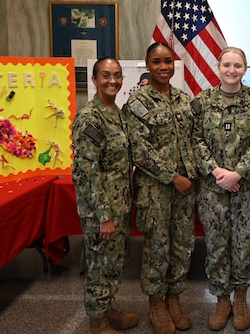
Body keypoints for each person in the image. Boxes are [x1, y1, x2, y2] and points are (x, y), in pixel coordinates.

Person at [191, 46, 250, 331]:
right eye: (227, 64)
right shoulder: (202, 101)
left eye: (237, 65)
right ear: (218, 66)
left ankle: (240, 298)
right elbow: (195, 141)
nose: (231, 70)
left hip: (247, 188)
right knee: (216, 245)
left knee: (244, 244)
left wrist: (237, 173)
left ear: (244, 68)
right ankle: (221, 298)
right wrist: (217, 172)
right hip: (213, 189)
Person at [124, 42, 198, 334]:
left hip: (184, 190)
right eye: (157, 62)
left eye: (168, 61)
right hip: (155, 190)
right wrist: (173, 177)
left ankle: (174, 298)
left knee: (182, 246)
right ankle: (156, 303)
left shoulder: (183, 99)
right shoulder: (137, 103)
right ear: (147, 64)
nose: (163, 67)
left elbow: (192, 140)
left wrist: (191, 177)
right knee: (157, 248)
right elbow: (139, 150)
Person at [71, 57, 139, 334]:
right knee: (100, 265)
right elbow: (87, 172)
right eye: (106, 75)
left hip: (120, 203)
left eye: (117, 75)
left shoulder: (117, 113)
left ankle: (107, 309)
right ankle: (97, 323)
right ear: (95, 80)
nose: (113, 80)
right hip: (103, 210)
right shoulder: (90, 118)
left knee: (114, 262)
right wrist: (104, 217)